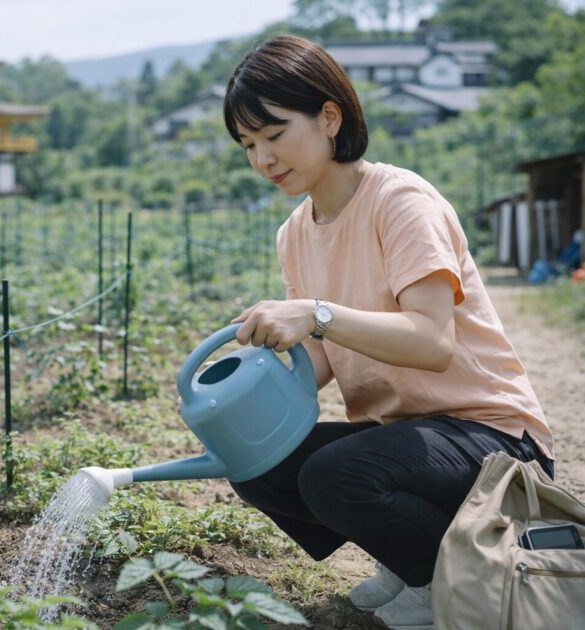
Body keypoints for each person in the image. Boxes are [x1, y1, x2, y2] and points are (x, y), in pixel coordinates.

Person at [220, 35, 554, 630]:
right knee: (259, 464)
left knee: (336, 473)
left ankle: (443, 580)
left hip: (494, 441)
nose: (262, 159)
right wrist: (243, 398)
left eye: (274, 135)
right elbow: (321, 361)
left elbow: (431, 342)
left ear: (329, 117)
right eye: (248, 145)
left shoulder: (401, 201)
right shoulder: (294, 233)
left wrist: (316, 313)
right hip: (403, 440)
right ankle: (411, 559)